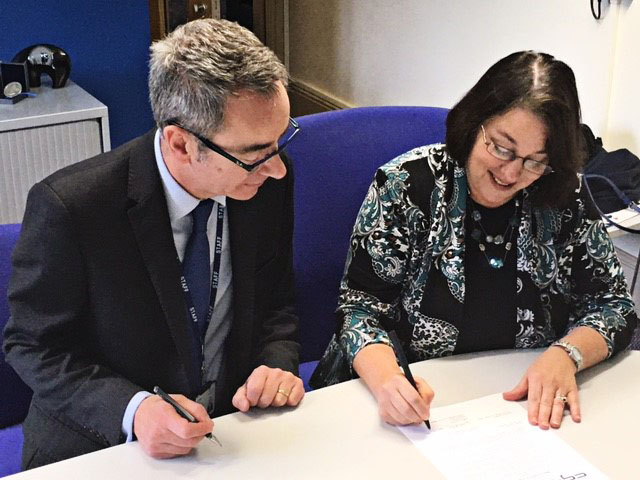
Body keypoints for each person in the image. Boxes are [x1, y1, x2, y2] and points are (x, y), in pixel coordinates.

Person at [4, 18, 303, 468]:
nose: (277, 167)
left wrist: (275, 362)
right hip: (104, 444)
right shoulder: (72, 208)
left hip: (230, 433)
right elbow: (33, 346)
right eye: (254, 153)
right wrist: (134, 409)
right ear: (181, 144)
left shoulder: (264, 185)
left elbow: (275, 297)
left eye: (281, 139)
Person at [310, 51, 638, 430]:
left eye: (535, 160)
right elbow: (360, 311)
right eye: (501, 147)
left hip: (516, 409)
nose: (512, 172)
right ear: (474, 122)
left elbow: (615, 306)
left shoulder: (564, 195)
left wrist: (566, 355)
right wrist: (389, 382)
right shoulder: (406, 185)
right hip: (407, 405)